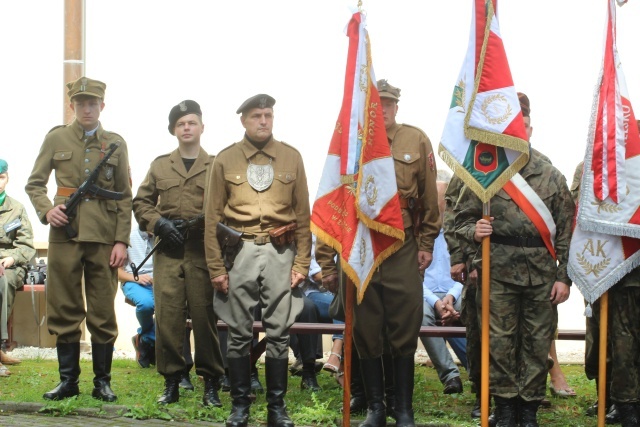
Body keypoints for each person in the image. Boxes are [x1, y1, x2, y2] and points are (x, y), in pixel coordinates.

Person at [320, 80, 440, 427]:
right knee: (366, 325)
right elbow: (333, 203)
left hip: (401, 244)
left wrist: (427, 243)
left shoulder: (415, 139)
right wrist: (327, 261)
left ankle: (403, 408)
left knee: (405, 321)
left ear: (396, 107)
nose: (382, 109)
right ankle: (375, 407)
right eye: (376, 104)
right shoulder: (349, 142)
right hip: (359, 245)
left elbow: (430, 199)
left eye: (388, 103)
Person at [453, 92, 574, 427]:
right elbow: (457, 219)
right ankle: (505, 408)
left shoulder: (552, 176)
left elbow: (566, 232)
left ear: (530, 131)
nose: (518, 133)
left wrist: (564, 278)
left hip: (541, 275)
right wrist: (473, 232)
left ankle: (529, 408)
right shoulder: (486, 174)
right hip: (497, 272)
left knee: (536, 344)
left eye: (523, 127)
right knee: (500, 343)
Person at [205, 93, 311, 427]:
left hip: (281, 252)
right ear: (244, 121)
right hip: (241, 251)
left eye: (267, 115)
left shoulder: (291, 158)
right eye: (256, 116)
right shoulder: (225, 160)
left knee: (279, 332)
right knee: (238, 332)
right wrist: (216, 268)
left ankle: (276, 409)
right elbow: (211, 220)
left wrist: (302, 264)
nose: (263, 121)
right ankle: (240, 407)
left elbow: (304, 217)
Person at [25, 77, 132, 402]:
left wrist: (121, 241)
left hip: (102, 237)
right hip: (65, 235)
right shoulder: (56, 137)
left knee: (102, 307)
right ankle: (68, 381)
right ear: (72, 105)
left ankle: (102, 382)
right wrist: (47, 212)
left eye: (93, 103)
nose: (87, 108)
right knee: (64, 307)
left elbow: (125, 196)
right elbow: (35, 184)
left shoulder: (115, 143)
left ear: (102, 105)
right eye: (81, 102)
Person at [133, 100, 224, 406]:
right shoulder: (160, 165)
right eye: (181, 123)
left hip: (202, 251)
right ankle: (172, 380)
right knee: (168, 319)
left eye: (192, 122)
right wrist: (159, 223)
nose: (186, 128)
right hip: (169, 252)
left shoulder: (217, 165)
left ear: (201, 127)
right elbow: (141, 202)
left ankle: (211, 381)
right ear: (174, 129)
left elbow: (228, 206)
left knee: (204, 318)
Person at [117, 224, 195, 391]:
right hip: (134, 282)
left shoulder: (167, 236)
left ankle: (145, 339)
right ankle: (147, 337)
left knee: (171, 310)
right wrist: (136, 278)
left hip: (160, 282)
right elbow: (117, 272)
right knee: (147, 305)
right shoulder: (128, 236)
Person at [419, 169, 467, 395]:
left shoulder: (460, 231)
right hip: (424, 296)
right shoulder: (416, 235)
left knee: (469, 308)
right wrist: (436, 302)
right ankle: (451, 376)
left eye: (441, 199)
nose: (437, 204)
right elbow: (411, 277)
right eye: (432, 198)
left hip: (456, 294)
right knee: (421, 314)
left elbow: (467, 271)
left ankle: (479, 372)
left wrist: (450, 297)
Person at [0, 159, 36, 376]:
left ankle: (0, 347)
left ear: (7, 178)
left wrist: (8, 259)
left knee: (2, 281)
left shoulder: (16, 209)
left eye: (1, 177)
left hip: (10, 265)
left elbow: (25, 245)